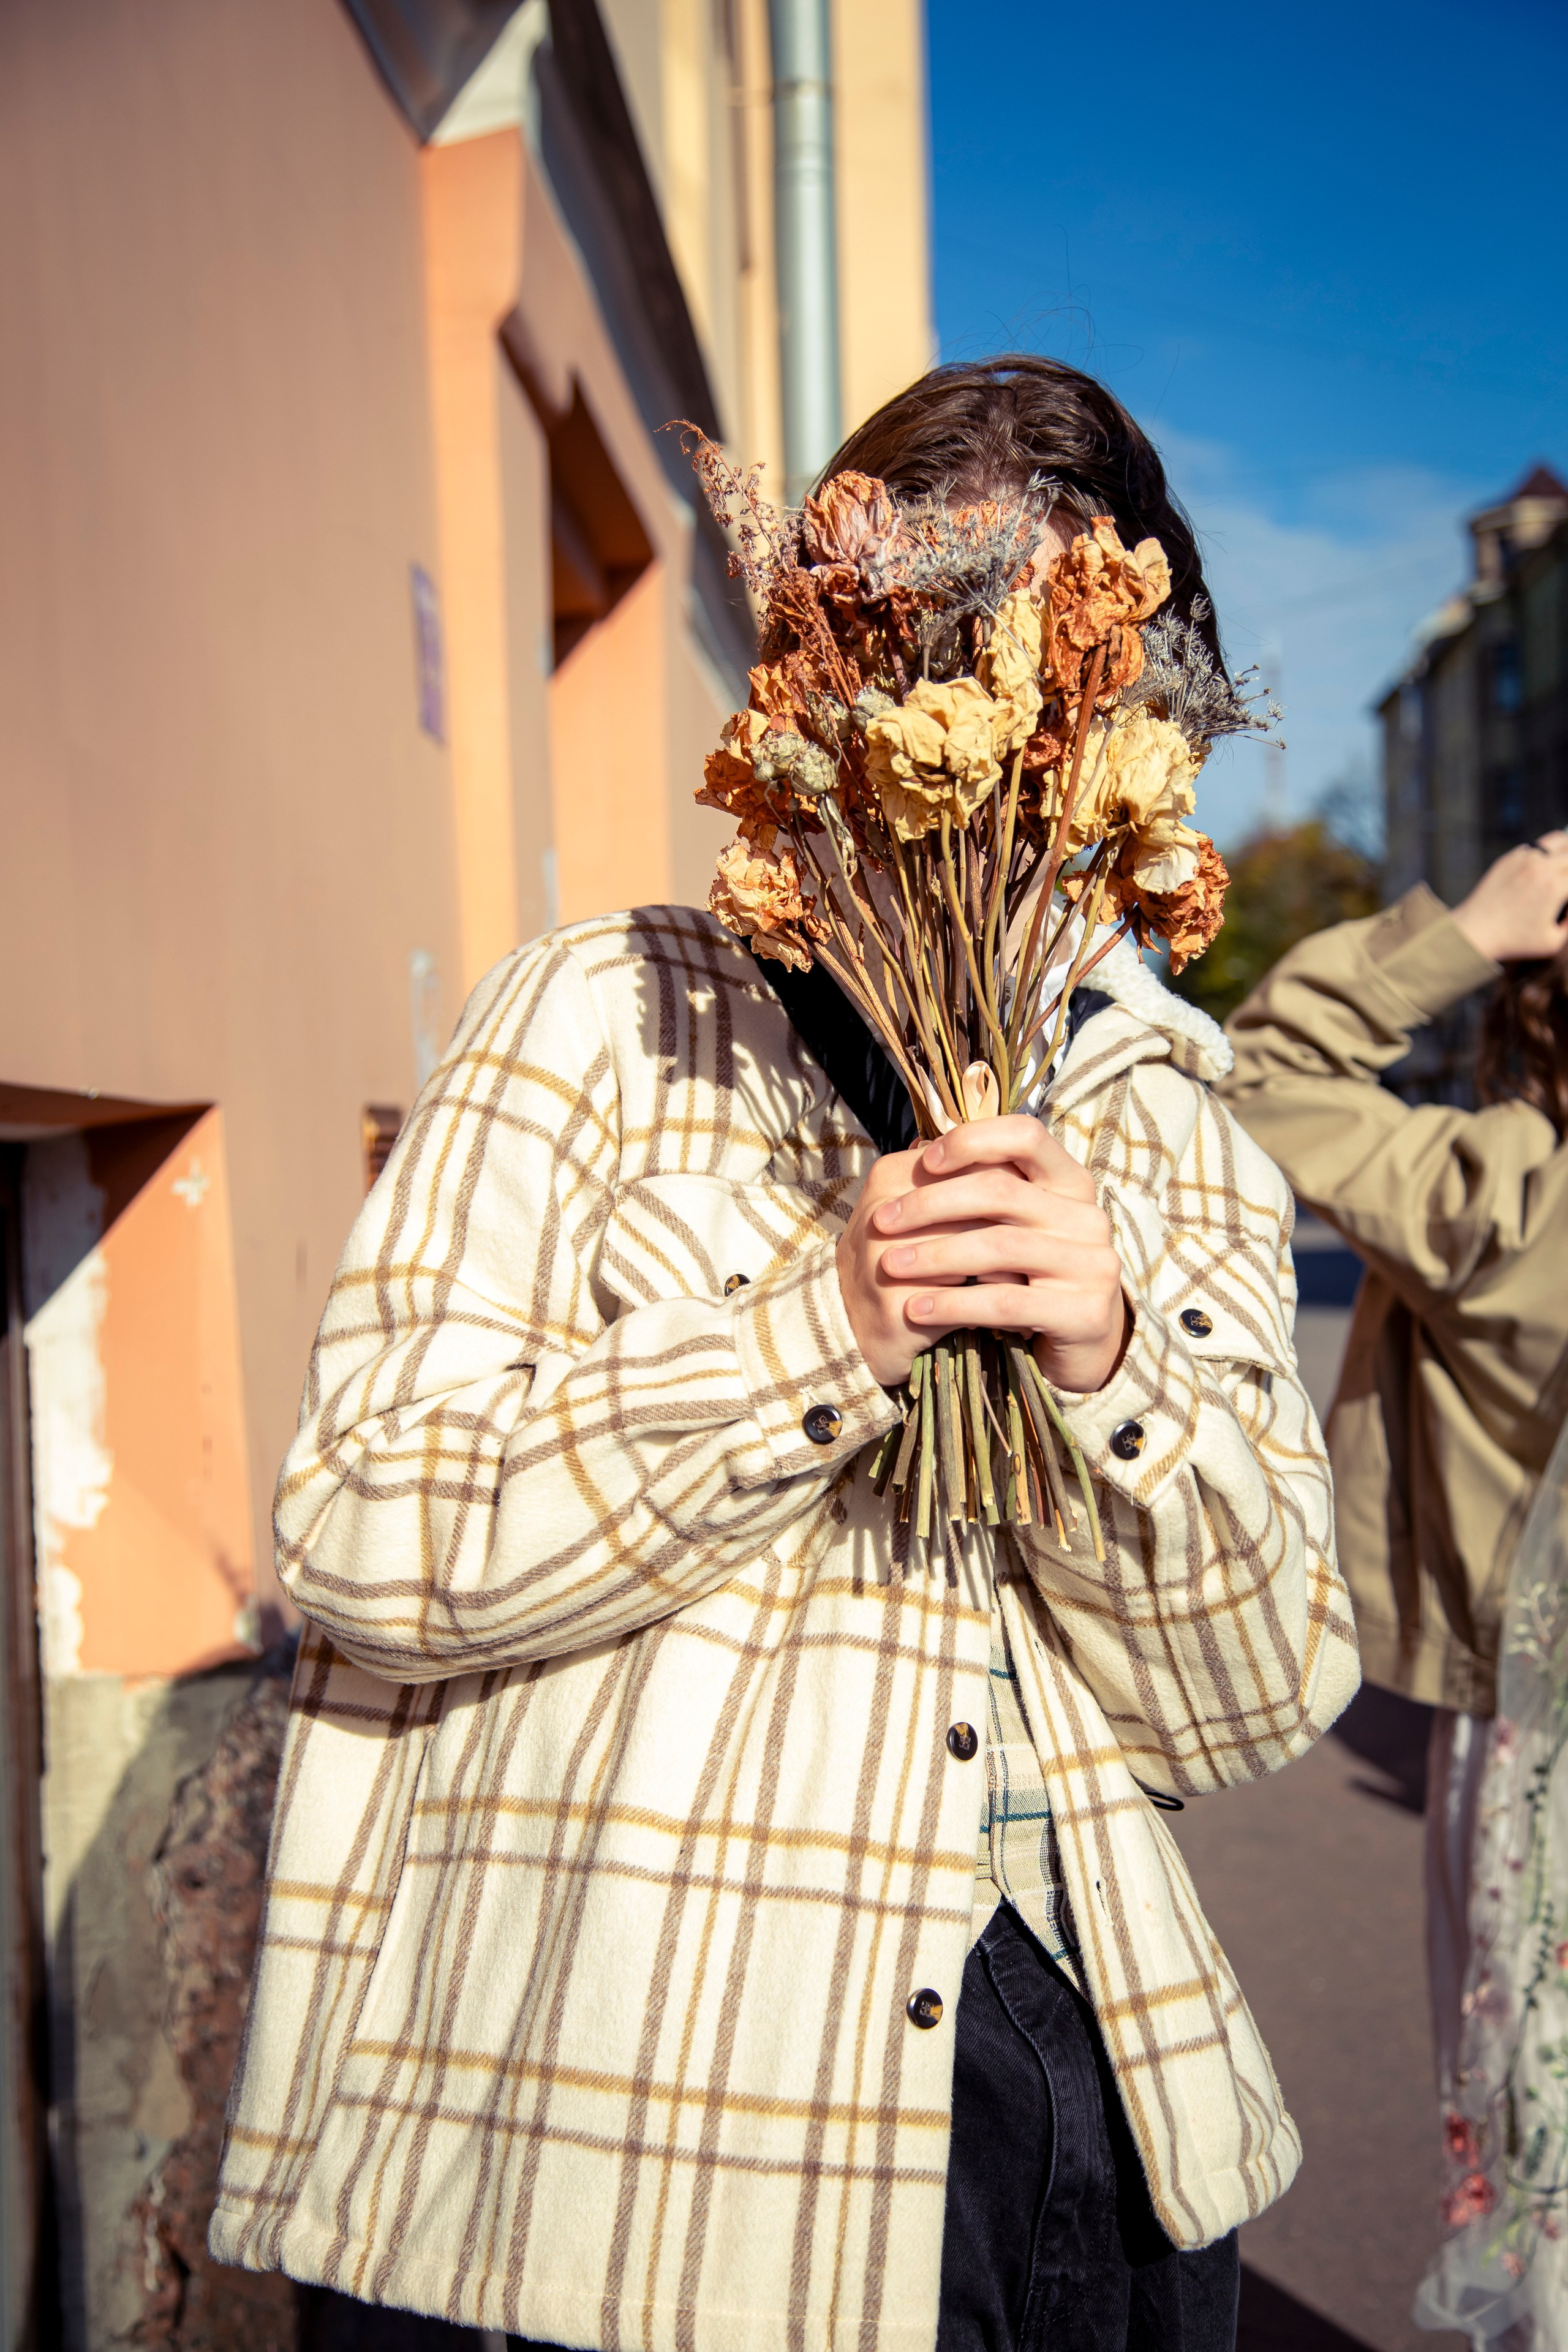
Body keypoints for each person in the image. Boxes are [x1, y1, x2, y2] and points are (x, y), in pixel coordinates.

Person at [210, 356, 1358, 2352]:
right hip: (636, 2150)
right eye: (916, 636)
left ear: (1130, 711)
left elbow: (1255, 1700)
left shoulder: (1170, 1119)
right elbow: (364, 1535)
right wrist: (814, 1335)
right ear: (818, 669)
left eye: (1045, 660)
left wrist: (1111, 1372)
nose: (970, 708)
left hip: (1074, 2135)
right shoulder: (605, 1012)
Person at [1216, 832, 1568, 2337]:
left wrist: (1467, 929)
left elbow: (1259, 1071)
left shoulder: (1503, 1196)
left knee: (1534, 2111)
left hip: (1534, 1732)